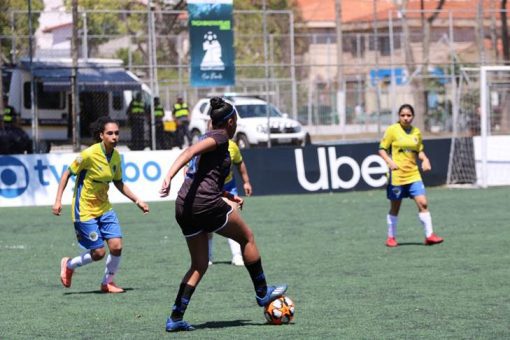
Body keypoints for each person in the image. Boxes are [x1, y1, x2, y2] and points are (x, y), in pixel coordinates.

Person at [159, 97, 287, 332]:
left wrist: (227, 195)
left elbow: (203, 176)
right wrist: (168, 175)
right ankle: (262, 293)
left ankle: (175, 318)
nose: (236, 124)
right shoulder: (219, 137)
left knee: (199, 264)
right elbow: (188, 153)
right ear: (230, 122)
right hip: (205, 204)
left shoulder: (208, 137)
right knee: (246, 237)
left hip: (184, 205)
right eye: (236, 120)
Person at [52, 116, 150, 293]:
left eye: (117, 133)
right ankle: (69, 265)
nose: (114, 137)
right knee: (98, 253)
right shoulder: (88, 154)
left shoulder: (116, 156)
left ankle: (107, 283)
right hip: (84, 209)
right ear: (101, 135)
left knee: (116, 246)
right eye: (110, 133)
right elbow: (67, 174)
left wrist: (138, 200)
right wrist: (58, 200)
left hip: (104, 208)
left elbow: (118, 182)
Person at [378, 104, 444, 247]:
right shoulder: (392, 130)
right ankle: (391, 237)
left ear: (413, 116)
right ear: (399, 116)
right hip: (397, 176)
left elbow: (419, 150)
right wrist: (389, 161)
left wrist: (425, 159)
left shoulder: (416, 132)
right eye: (403, 115)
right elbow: (382, 149)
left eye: (408, 115)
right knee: (395, 207)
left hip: (413, 174)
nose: (406, 118)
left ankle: (429, 236)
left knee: (423, 203)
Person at [208, 138, 252, 266]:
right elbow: (189, 166)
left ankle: (237, 256)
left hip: (228, 186)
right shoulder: (203, 144)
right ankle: (208, 257)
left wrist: (246, 182)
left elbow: (240, 163)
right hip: (209, 187)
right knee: (207, 223)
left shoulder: (232, 146)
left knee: (232, 220)